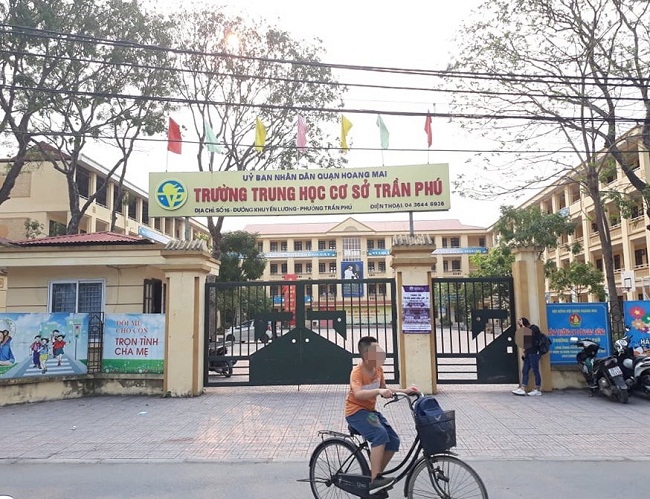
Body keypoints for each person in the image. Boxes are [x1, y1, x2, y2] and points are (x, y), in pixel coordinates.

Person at [344, 336, 419, 495]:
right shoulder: (357, 372)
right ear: (366, 355)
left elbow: (385, 389)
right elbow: (358, 394)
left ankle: (375, 475)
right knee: (380, 433)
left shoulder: (378, 370)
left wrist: (405, 391)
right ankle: (375, 479)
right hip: (355, 412)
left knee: (393, 440)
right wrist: (378, 391)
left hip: (370, 412)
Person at [512, 317, 543, 396]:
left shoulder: (534, 328)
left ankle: (538, 389)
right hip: (528, 353)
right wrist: (524, 352)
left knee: (535, 370)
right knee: (525, 370)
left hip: (534, 352)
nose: (519, 323)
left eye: (520, 321)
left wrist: (523, 326)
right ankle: (523, 388)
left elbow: (530, 337)